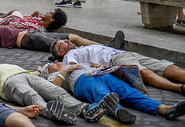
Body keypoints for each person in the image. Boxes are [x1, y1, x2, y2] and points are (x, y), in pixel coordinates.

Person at [40, 61, 185, 123]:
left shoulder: (73, 63)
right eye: (51, 65)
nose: (56, 63)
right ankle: (118, 112)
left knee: (130, 93)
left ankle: (163, 109)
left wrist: (97, 65)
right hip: (83, 81)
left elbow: (96, 65)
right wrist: (66, 70)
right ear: (49, 71)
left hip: (103, 74)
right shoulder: (55, 75)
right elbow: (54, 87)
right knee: (103, 95)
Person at [51, 41, 185, 95]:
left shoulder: (81, 47)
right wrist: (93, 66)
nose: (67, 41)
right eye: (63, 43)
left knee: (169, 68)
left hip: (122, 53)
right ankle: (179, 88)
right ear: (61, 52)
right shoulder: (69, 55)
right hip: (114, 60)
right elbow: (75, 67)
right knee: (145, 73)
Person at [0, 25, 102, 52]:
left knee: (73, 36)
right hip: (27, 40)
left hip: (32, 33)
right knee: (63, 46)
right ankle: (93, 52)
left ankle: (105, 46)